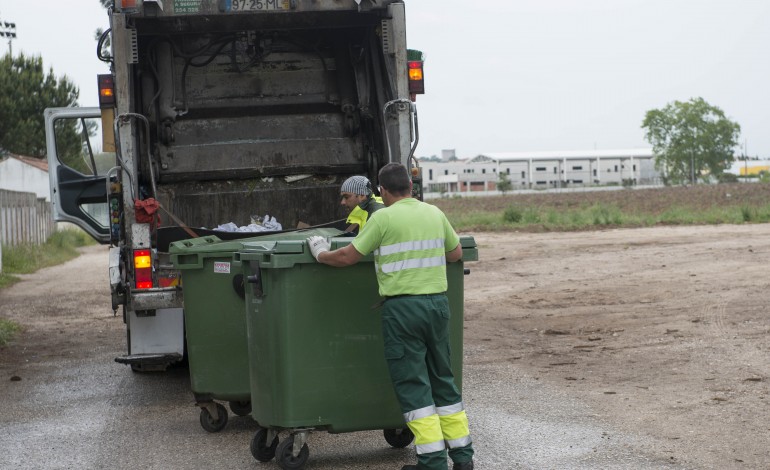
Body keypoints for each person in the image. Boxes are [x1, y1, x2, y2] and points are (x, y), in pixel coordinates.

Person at [307, 163, 474, 470]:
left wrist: (320, 253)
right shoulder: (434, 213)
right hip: (437, 305)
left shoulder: (383, 217)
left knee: (413, 383)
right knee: (443, 380)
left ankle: (433, 462)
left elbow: (347, 256)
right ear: (410, 187)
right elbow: (455, 254)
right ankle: (463, 457)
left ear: (382, 191)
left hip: (404, 310)